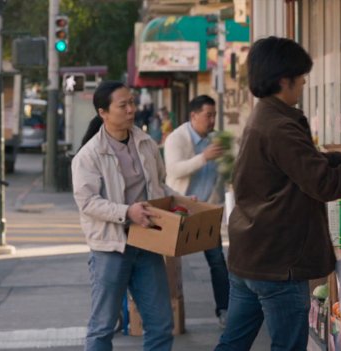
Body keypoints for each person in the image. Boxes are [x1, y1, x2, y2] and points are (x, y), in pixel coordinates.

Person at [215, 36, 341, 351]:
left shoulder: (266, 117)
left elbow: (310, 162)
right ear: (283, 80)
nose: (304, 83)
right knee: (286, 346)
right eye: (301, 77)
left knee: (232, 343)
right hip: (277, 260)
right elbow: (323, 183)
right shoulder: (279, 126)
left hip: (250, 253)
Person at [72, 81, 183, 351]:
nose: (131, 109)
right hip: (111, 248)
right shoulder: (88, 155)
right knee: (102, 328)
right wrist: (126, 212)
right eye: (123, 105)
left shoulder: (145, 143)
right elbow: (87, 201)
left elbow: (158, 183)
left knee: (160, 324)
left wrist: (178, 200)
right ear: (103, 113)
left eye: (132, 102)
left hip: (148, 243)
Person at [163, 95, 230, 328]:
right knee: (167, 264)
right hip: (178, 211)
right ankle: (165, 312)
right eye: (208, 115)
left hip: (204, 213)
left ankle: (224, 310)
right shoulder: (177, 139)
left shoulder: (214, 140)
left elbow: (220, 176)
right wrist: (203, 157)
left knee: (218, 262)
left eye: (214, 115)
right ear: (193, 116)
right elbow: (173, 170)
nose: (212, 120)